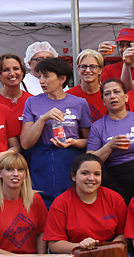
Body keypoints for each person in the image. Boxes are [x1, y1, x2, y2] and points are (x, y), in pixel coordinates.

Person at [20, 57, 92, 206]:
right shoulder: (32, 102)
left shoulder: (79, 103)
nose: (41, 81)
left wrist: (73, 142)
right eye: (39, 76)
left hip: (70, 158)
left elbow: (90, 141)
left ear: (62, 78)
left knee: (71, 202)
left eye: (46, 76)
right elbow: (26, 143)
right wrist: (43, 119)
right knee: (41, 202)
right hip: (42, 158)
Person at [67, 49, 107, 121]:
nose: (88, 70)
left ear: (100, 70)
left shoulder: (108, 94)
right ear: (78, 69)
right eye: (83, 66)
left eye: (93, 67)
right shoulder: (69, 95)